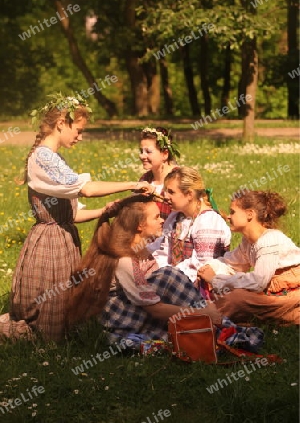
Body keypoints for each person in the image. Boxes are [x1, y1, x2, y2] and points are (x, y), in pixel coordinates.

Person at [5, 93, 153, 343]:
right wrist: (131, 184)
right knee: (42, 328)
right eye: (79, 130)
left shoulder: (54, 158)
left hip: (62, 239)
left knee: (59, 323)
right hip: (49, 243)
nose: (81, 137)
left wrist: (106, 211)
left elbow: (71, 213)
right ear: (61, 123)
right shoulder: (42, 158)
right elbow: (86, 189)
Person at [67, 194, 222, 342]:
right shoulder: (124, 260)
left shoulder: (141, 251)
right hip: (116, 318)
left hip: (135, 310)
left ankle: (214, 329)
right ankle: (217, 330)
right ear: (140, 225)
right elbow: (156, 309)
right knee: (168, 276)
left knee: (169, 276)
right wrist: (202, 313)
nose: (162, 220)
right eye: (156, 217)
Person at [198, 190, 300, 325]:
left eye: (233, 212)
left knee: (234, 298)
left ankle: (209, 317)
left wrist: (216, 279)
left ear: (250, 214)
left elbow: (258, 281)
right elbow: (232, 263)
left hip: (288, 291)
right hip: (266, 288)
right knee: (225, 294)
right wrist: (210, 267)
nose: (228, 217)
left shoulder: (269, 240)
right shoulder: (248, 242)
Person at [148, 167, 231, 298]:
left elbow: (201, 266)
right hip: (174, 281)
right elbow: (164, 250)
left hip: (200, 290)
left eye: (171, 192)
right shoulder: (176, 217)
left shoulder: (208, 221)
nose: (165, 196)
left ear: (189, 195)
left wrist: (164, 277)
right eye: (165, 191)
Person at [138, 127, 180, 219]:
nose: (142, 156)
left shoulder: (179, 178)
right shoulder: (145, 179)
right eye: (141, 151)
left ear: (165, 154)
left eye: (148, 151)